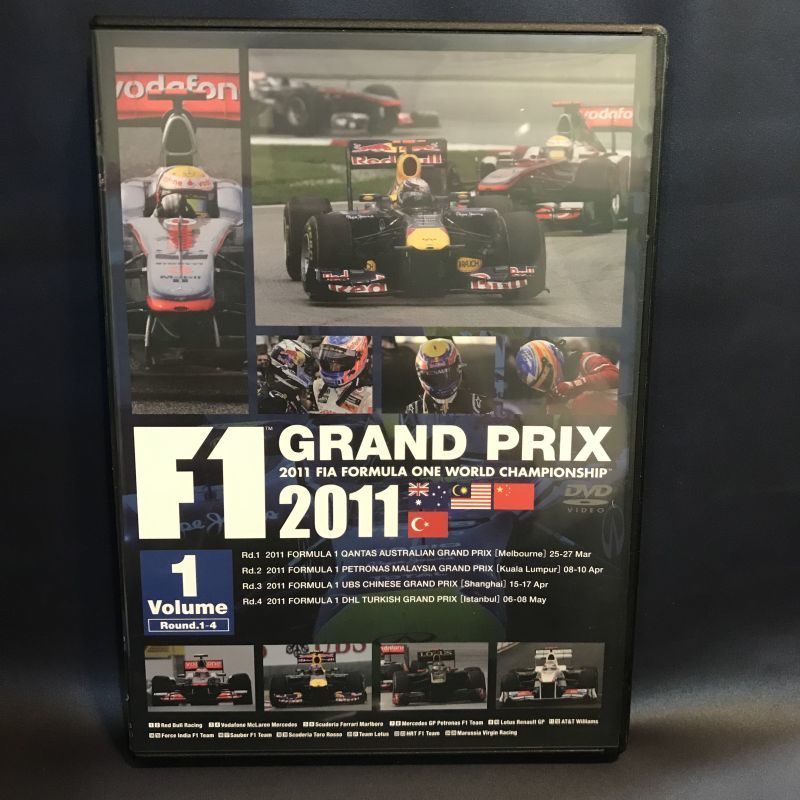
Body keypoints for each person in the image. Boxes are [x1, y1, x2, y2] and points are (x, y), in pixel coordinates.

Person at [515, 339, 619, 415]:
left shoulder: (586, 359)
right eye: (541, 386)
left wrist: (573, 385)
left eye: (545, 379)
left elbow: (615, 376)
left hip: (617, 416)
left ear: (552, 359)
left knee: (582, 401)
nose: (548, 386)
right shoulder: (554, 396)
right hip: (591, 428)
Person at [405, 338, 492, 414]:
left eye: (444, 373)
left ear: (458, 368)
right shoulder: (413, 411)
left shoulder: (480, 406)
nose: (440, 382)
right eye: (434, 375)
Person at [312, 336, 373, 414]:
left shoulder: (369, 396)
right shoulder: (318, 385)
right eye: (329, 360)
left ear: (359, 359)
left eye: (340, 361)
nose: (333, 367)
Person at [257, 338, 316, 414]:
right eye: (303, 366)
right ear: (288, 365)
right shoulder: (272, 401)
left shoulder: (286, 393)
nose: (306, 371)